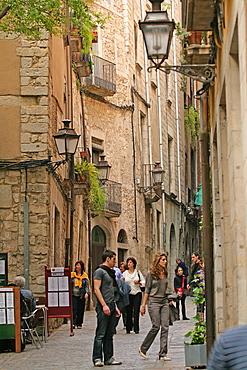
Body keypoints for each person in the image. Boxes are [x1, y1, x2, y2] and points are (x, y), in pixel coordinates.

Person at [139, 253, 171, 362]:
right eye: (163, 260)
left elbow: (164, 288)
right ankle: (143, 348)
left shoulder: (165, 272)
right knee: (156, 326)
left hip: (164, 302)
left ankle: (163, 353)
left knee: (165, 327)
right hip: (153, 302)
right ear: (157, 261)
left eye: (165, 260)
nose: (165, 261)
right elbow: (147, 290)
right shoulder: (151, 273)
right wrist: (143, 305)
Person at [92, 249, 122, 367]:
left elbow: (112, 290)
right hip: (103, 306)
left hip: (111, 305)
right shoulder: (100, 272)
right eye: (114, 259)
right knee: (101, 333)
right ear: (107, 259)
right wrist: (104, 305)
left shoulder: (111, 272)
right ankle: (97, 358)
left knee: (109, 333)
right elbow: (96, 289)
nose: (115, 262)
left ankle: (109, 357)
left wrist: (115, 306)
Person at [123, 256, 145, 334]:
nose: (129, 264)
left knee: (136, 311)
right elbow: (122, 283)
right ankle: (128, 327)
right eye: (128, 262)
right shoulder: (125, 273)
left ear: (134, 264)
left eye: (130, 262)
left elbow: (143, 282)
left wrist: (139, 282)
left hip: (137, 293)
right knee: (128, 311)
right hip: (129, 294)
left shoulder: (138, 272)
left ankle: (136, 328)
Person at [71, 260, 89, 329]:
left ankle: (79, 323)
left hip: (81, 294)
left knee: (80, 309)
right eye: (76, 265)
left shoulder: (84, 276)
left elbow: (86, 285)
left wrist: (87, 293)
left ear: (81, 267)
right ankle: (73, 323)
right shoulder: (72, 275)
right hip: (73, 294)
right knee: (74, 309)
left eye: (78, 265)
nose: (76, 267)